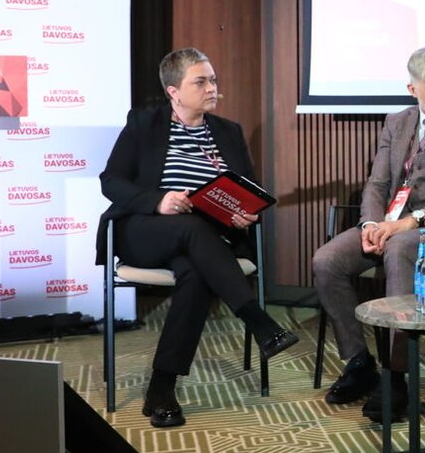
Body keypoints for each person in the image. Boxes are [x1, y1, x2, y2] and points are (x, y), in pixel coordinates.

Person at [97, 48, 300, 429]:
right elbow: (111, 181)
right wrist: (159, 201)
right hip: (145, 230)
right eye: (201, 82)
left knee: (195, 276)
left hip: (204, 240)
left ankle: (161, 388)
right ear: (173, 91)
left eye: (214, 80)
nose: (212, 88)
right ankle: (257, 321)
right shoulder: (144, 124)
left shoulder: (227, 132)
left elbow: (247, 188)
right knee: (192, 227)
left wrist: (243, 213)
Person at [313, 46, 425, 421]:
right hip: (388, 223)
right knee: (327, 260)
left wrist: (410, 222)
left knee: (400, 250)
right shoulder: (396, 123)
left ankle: (396, 375)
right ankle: (359, 362)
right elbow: (377, 184)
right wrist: (370, 224)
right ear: (413, 90)